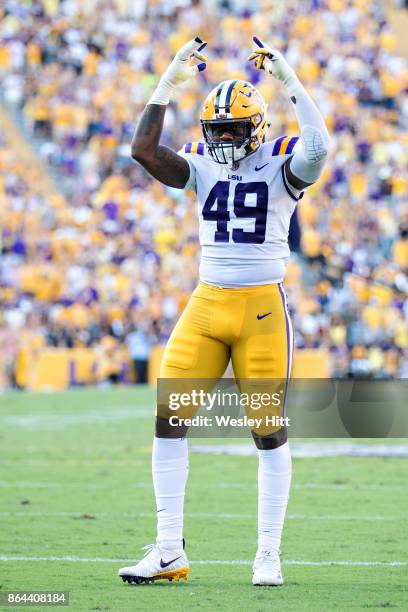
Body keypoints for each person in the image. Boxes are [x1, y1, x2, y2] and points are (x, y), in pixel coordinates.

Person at [119, 36, 330, 587]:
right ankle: (168, 551)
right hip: (208, 303)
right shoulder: (202, 162)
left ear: (255, 127)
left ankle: (267, 554)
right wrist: (166, 84)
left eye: (235, 130)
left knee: (267, 431)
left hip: (261, 307)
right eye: (218, 131)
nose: (226, 140)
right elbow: (143, 151)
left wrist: (289, 83)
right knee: (169, 421)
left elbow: (319, 148)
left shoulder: (283, 161)